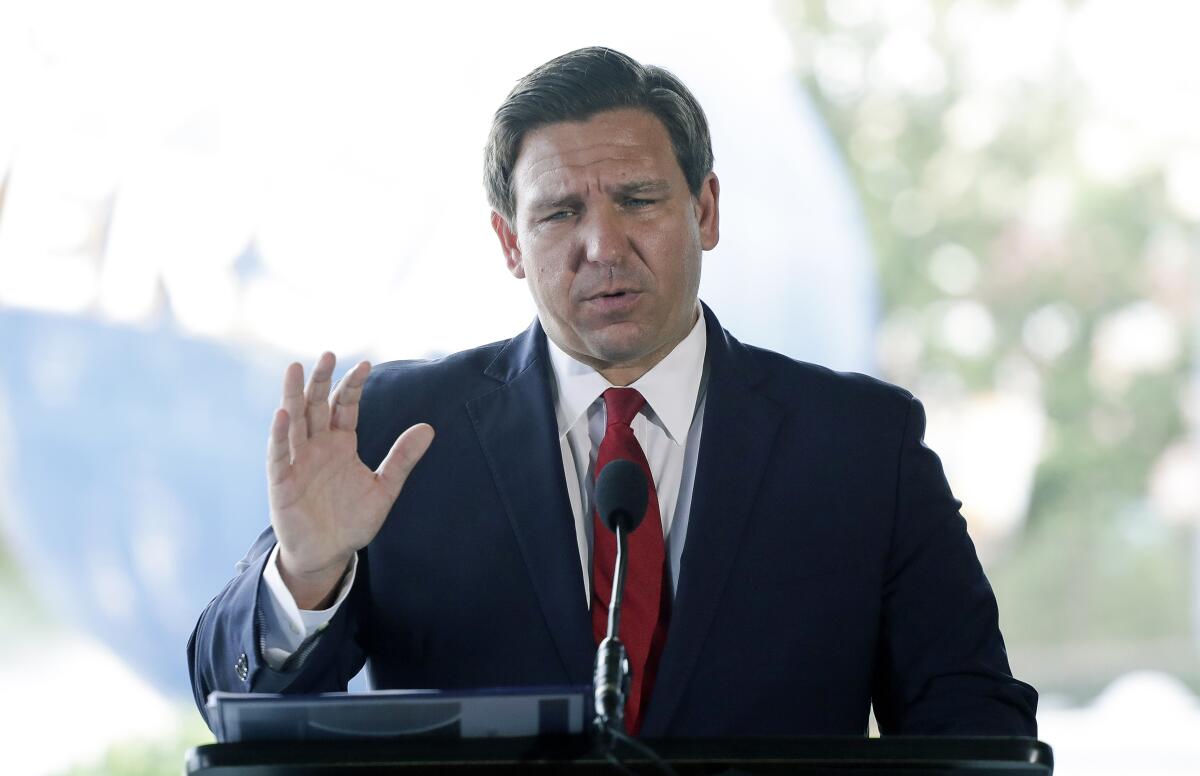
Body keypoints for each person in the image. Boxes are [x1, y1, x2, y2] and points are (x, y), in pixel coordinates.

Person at [188, 46, 1038, 738]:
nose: (602, 243)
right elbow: (239, 700)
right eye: (559, 213)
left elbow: (974, 729)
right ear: (509, 242)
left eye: (638, 199)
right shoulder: (397, 434)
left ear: (705, 209)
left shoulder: (862, 445)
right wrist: (305, 572)